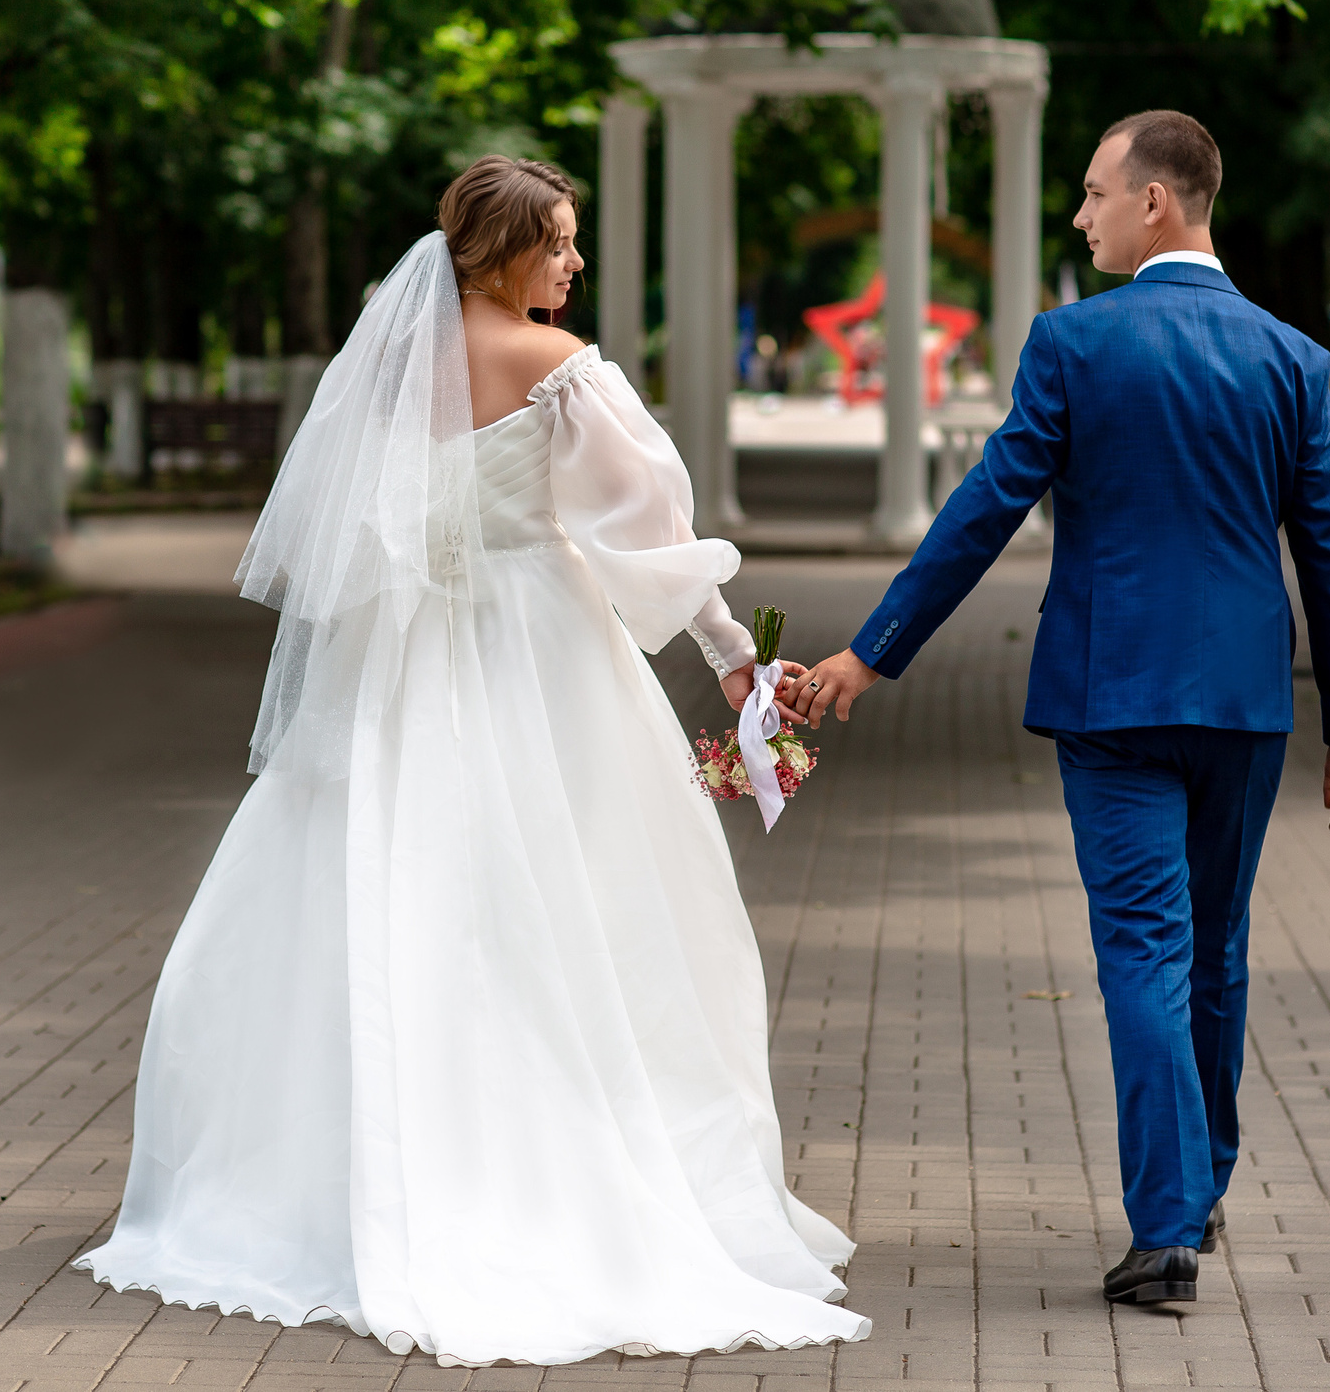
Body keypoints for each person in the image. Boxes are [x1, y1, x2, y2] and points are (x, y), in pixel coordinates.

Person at [75, 156, 871, 1367]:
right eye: (557, 242)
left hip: (403, 665)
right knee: (579, 904)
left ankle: (349, 1176)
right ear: (502, 251)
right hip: (541, 654)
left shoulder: (392, 361)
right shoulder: (561, 369)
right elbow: (647, 537)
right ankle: (563, 1174)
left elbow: (359, 524)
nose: (574, 263)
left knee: (395, 890)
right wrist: (731, 656)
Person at [786, 111, 1330, 1307]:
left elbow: (985, 507)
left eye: (1095, 193)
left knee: (1145, 949)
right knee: (1213, 945)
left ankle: (1166, 1232)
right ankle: (1200, 1183)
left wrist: (871, 653)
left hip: (1110, 698)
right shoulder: (1290, 358)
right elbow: (1329, 549)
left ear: (1155, 201)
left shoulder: (1073, 343)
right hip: (1244, 704)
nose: (1080, 214)